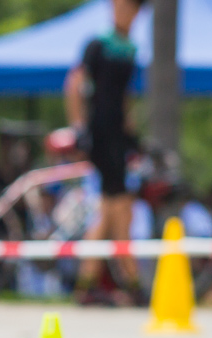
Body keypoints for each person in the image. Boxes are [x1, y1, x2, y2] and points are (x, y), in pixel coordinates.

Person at [64, 0, 147, 306]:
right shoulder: (98, 44)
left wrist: (132, 134)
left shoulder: (129, 49)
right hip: (99, 133)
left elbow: (125, 97)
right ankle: (131, 281)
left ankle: (91, 283)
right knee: (117, 208)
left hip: (117, 137)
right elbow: (74, 83)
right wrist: (78, 127)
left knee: (112, 209)